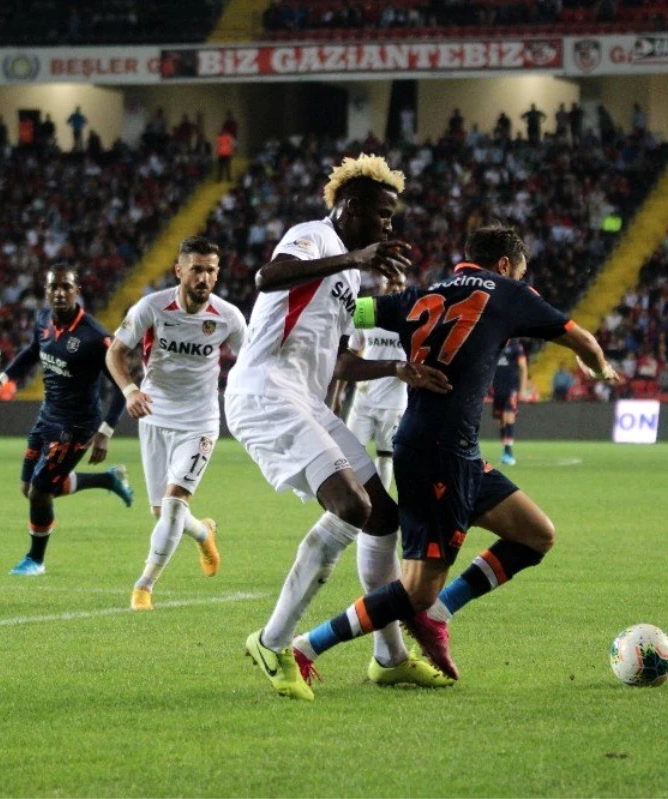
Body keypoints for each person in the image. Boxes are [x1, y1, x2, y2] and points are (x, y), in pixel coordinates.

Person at [289, 224, 621, 683]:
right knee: (414, 591)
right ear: (505, 266)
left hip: (457, 451)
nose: (521, 279)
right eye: (519, 272)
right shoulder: (508, 292)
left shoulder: (418, 296)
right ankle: (305, 647)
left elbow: (352, 313)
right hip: (434, 454)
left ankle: (438, 616)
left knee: (537, 534)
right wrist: (602, 372)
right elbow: (581, 339)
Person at [227, 154, 454, 701]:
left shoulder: (348, 273)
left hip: (306, 399)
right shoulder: (312, 237)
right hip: (264, 391)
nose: (389, 226)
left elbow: (342, 363)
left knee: (384, 517)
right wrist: (352, 258)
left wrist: (397, 367)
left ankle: (390, 658)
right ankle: (272, 640)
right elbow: (267, 276)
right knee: (352, 507)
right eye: (382, 215)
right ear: (350, 208)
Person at [106, 237, 248, 608]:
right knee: (162, 512)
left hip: (199, 421)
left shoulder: (228, 317)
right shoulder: (152, 307)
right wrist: (130, 391)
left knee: (171, 507)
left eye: (211, 270)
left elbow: (252, 361)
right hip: (154, 415)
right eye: (197, 269)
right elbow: (115, 353)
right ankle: (204, 533)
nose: (204, 277)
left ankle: (144, 586)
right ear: (179, 270)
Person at [0, 267, 134, 576]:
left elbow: (123, 387)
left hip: (76, 426)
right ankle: (108, 480)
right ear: (46, 290)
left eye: (66, 287)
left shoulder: (95, 337)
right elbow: (31, 352)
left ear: (77, 289)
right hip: (47, 416)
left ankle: (36, 560)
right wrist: (1, 380)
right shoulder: (43, 320)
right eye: (54, 287)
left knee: (40, 491)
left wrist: (105, 431)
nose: (60, 293)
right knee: (29, 488)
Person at [337, 272, 408, 491]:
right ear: (382, 284)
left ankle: (380, 509)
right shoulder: (366, 311)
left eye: (400, 284)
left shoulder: (411, 317)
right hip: (363, 398)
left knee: (385, 455)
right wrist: (339, 392)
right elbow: (352, 353)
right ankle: (356, 501)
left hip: (393, 401)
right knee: (350, 453)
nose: (396, 288)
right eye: (391, 283)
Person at [491, 338, 528, 465]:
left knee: (508, 415)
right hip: (496, 390)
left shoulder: (516, 347)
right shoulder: (494, 345)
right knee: (500, 421)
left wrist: (522, 390)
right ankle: (505, 449)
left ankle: (508, 450)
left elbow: (523, 368)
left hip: (511, 389)